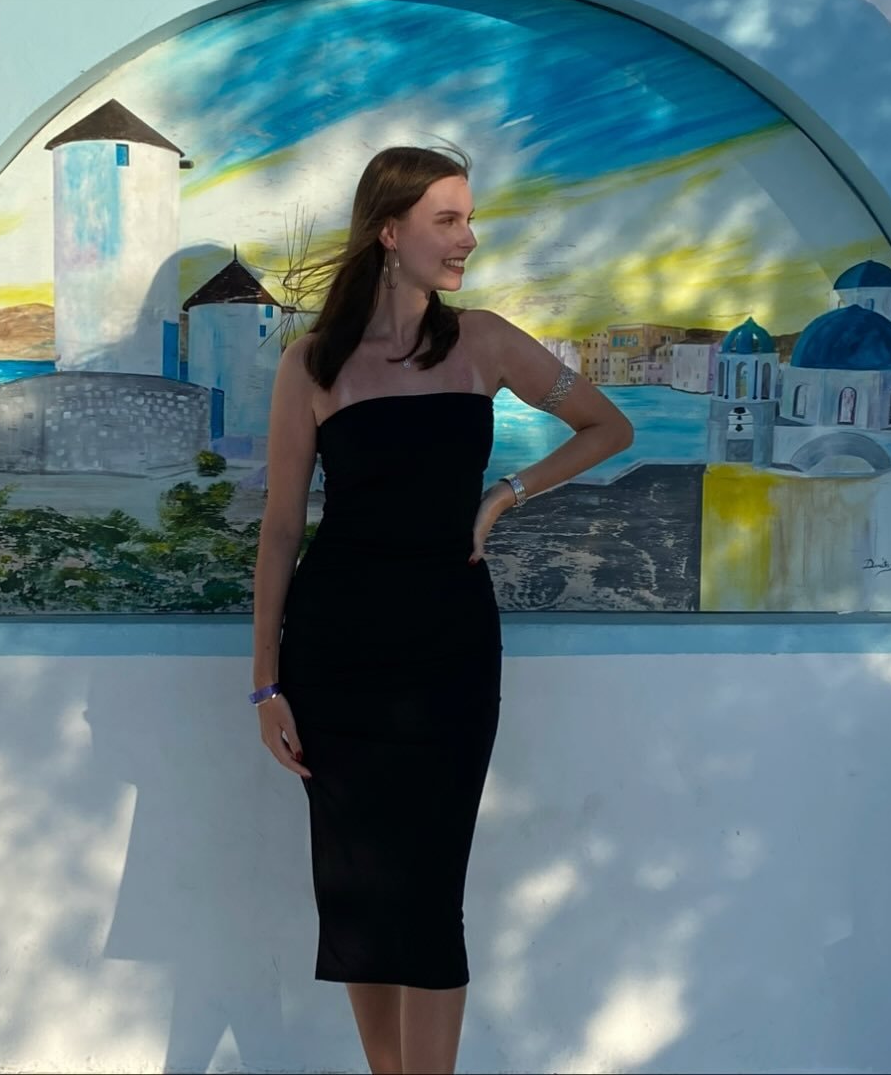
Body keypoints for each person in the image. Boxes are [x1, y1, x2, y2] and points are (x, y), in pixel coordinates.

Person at [251, 145, 633, 1074]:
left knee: (427, 893)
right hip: (335, 654)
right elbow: (280, 528)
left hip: (448, 653)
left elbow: (608, 426)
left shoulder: (487, 341)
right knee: (354, 891)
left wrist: (508, 492)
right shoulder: (312, 363)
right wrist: (265, 685)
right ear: (390, 232)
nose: (469, 238)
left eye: (469, 219)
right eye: (448, 220)